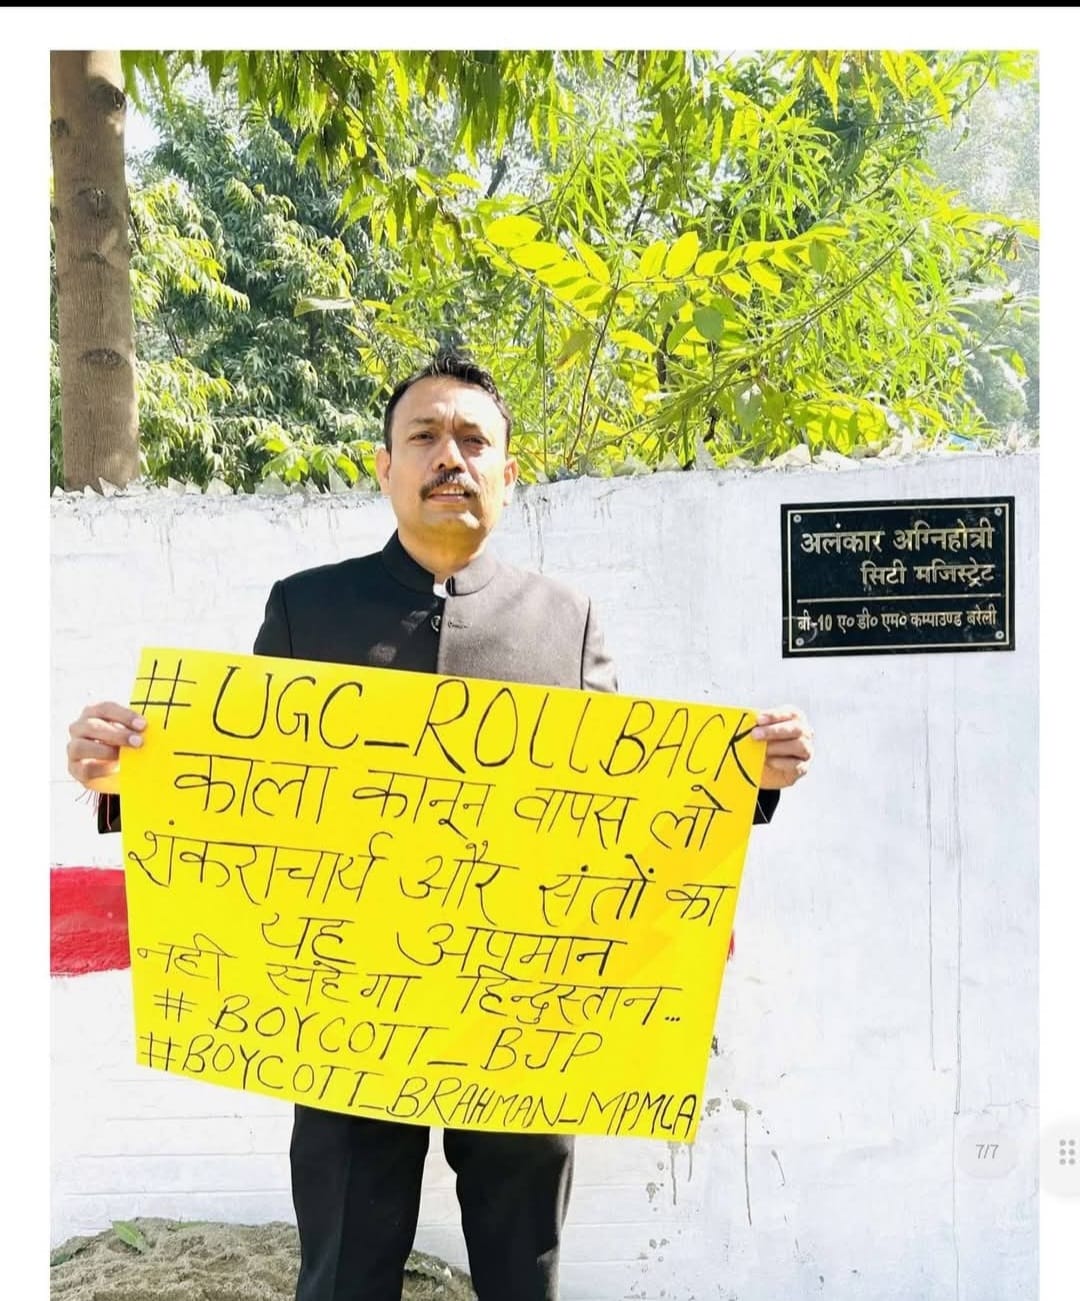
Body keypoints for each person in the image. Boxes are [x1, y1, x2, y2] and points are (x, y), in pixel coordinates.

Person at [66, 349, 814, 1301]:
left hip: (523, 1020)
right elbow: (244, 792)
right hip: (342, 1013)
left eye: (473, 439)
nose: (449, 456)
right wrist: (122, 776)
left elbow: (623, 807)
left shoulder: (567, 619)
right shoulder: (306, 608)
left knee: (522, 1273)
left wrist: (747, 778)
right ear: (386, 467)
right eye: (424, 435)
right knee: (343, 1274)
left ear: (509, 471)